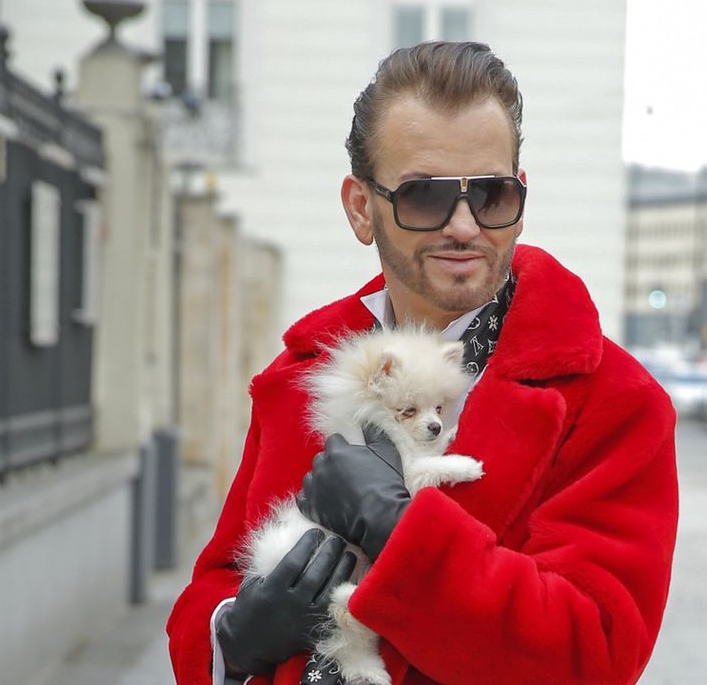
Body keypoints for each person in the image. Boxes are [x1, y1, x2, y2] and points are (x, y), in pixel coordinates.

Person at [166, 41, 679, 685]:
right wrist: (233, 638)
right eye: (425, 196)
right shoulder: (303, 370)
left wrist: (398, 527)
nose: (464, 225)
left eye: (490, 195)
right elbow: (212, 585)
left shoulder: (614, 400)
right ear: (361, 208)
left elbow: (593, 653)